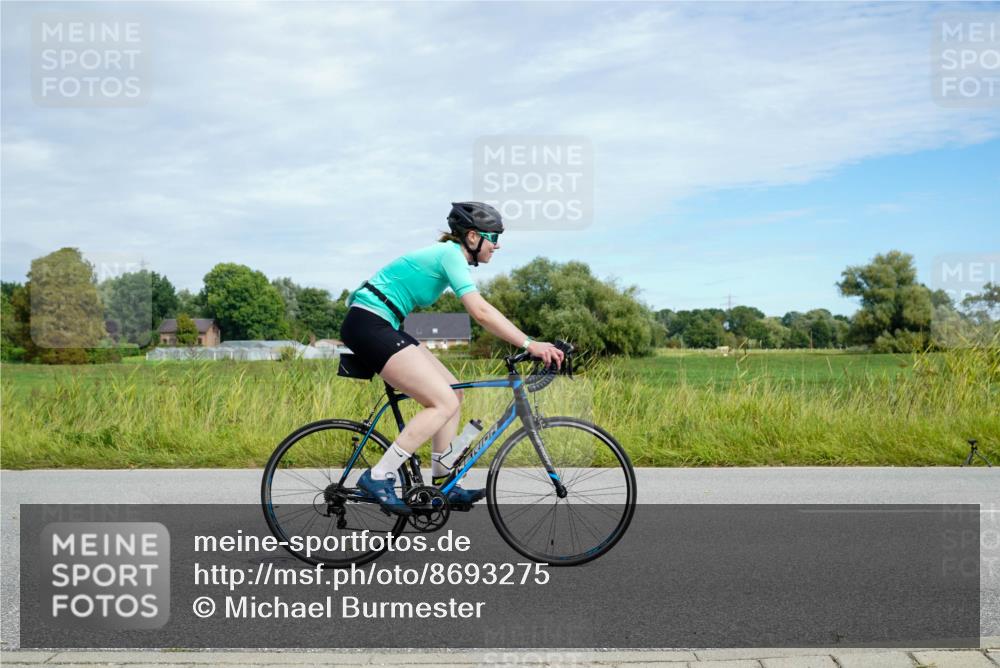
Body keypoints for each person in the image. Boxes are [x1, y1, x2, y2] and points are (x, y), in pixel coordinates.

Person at [340, 202, 565, 514]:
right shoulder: (450, 254)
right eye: (494, 237)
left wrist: (529, 344)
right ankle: (379, 475)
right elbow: (481, 311)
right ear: (472, 237)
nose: (497, 245)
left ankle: (443, 481)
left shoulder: (448, 257)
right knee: (442, 401)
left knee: (453, 392)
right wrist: (530, 344)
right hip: (367, 323)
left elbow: (481, 310)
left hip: (381, 323)